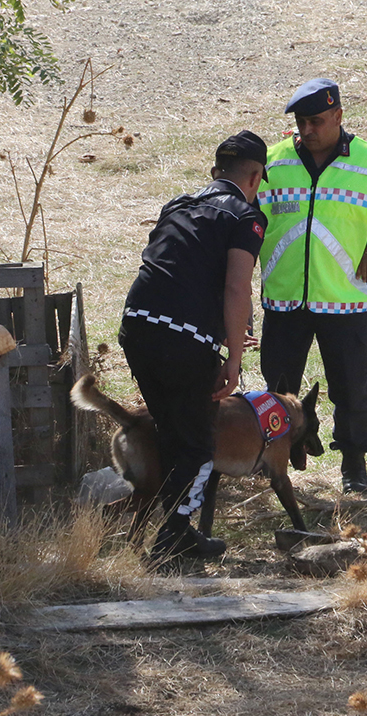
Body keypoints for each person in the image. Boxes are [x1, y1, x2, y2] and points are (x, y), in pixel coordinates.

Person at [257, 78, 367, 493]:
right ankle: (275, 460)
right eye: (301, 122)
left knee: (349, 388)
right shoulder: (271, 161)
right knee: (278, 388)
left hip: (344, 299)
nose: (307, 130)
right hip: (283, 299)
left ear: (338, 116)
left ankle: (354, 467)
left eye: (316, 121)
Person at [119, 130, 269, 559]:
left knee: (171, 430)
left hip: (137, 326)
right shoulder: (245, 216)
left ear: (213, 171)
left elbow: (174, 266)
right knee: (200, 441)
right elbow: (237, 287)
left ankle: (175, 532)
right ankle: (173, 537)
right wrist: (235, 357)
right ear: (256, 176)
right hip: (181, 338)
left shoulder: (178, 205)